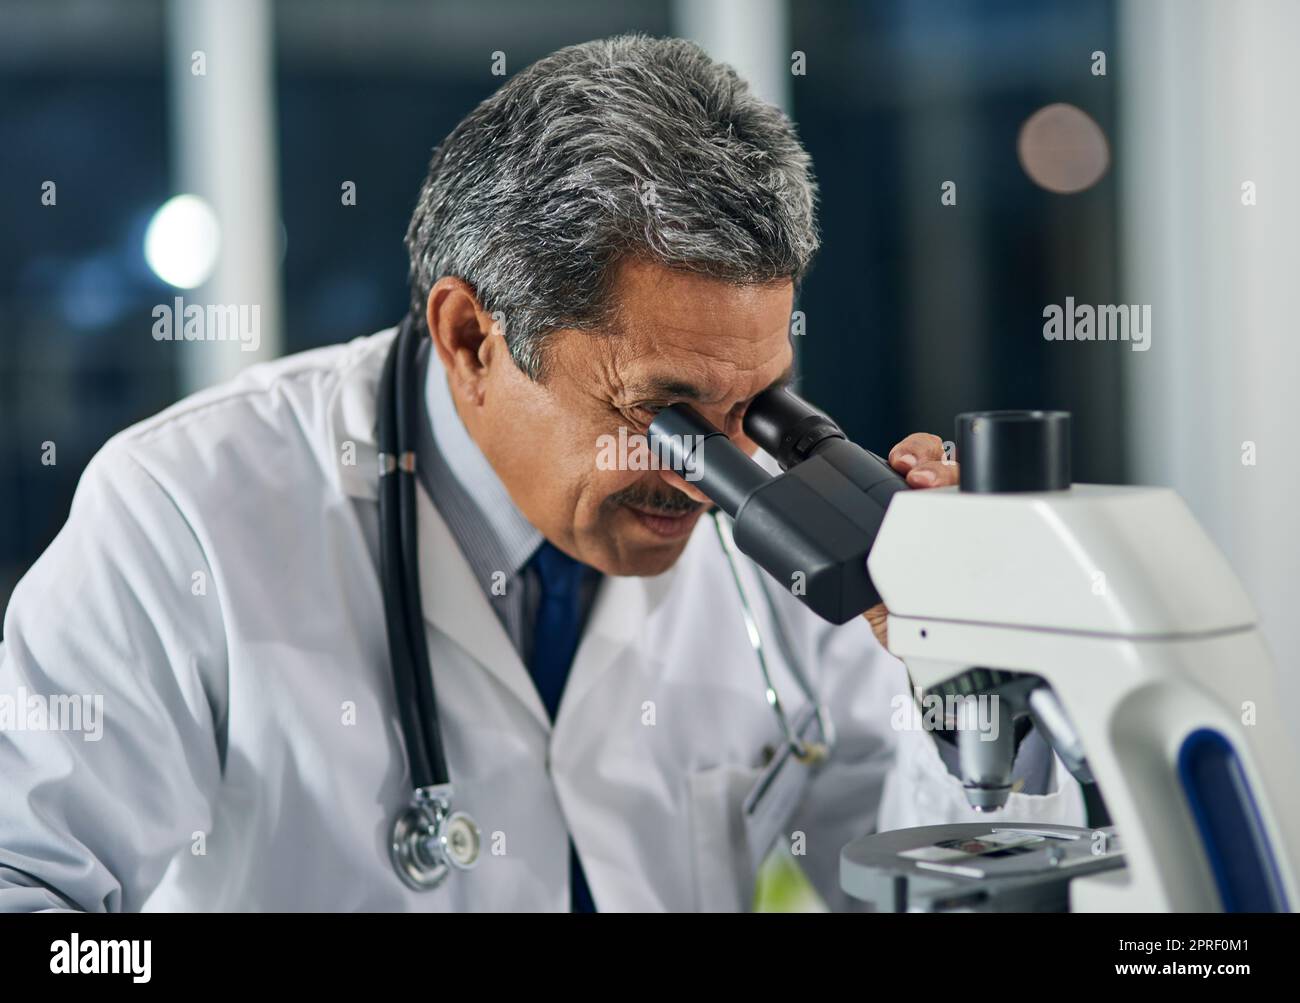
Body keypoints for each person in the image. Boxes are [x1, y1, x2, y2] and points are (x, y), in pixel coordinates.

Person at [0, 34, 1083, 912]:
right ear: (472, 336)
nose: (713, 475)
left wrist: (958, 674)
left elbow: (930, 883)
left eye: (753, 405)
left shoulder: (790, 526)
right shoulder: (182, 513)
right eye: (663, 417)